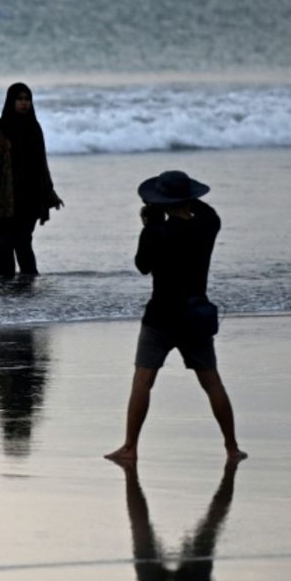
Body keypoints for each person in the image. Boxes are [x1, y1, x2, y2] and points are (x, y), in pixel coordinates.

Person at [105, 171, 246, 463]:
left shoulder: (158, 233)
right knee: (212, 382)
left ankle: (130, 447)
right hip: (196, 315)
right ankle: (232, 447)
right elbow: (206, 209)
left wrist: (151, 223)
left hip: (161, 316)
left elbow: (142, 265)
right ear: (188, 198)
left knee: (143, 380)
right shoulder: (207, 225)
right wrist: (176, 203)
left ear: (163, 202)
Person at [0, 83, 63, 277]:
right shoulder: (0, 127)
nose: (23, 103)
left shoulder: (34, 127)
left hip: (31, 194)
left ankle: (28, 282)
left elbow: (42, 162)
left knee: (23, 241)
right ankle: (4, 282)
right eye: (19, 99)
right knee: (2, 243)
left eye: (27, 99)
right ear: (11, 101)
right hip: (7, 194)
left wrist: (49, 190)